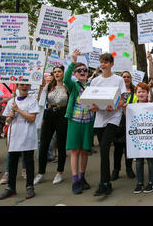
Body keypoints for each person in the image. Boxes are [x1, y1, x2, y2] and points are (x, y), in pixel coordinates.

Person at [90, 53, 127, 196]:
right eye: (101, 62)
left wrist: (116, 107)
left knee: (105, 146)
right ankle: (107, 183)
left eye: (106, 62)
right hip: (100, 118)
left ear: (111, 64)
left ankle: (103, 183)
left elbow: (122, 99)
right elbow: (91, 100)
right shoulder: (95, 81)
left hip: (113, 117)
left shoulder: (118, 79)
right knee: (103, 152)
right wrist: (93, 107)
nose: (103, 64)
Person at [0, 84, 40, 200]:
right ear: (17, 86)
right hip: (14, 136)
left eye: (26, 85)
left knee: (28, 161)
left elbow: (31, 118)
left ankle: (30, 187)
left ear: (30, 86)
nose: (24, 87)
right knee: (12, 162)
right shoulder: (12, 101)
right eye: (22, 85)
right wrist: (10, 116)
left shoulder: (32, 101)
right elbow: (7, 119)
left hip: (27, 135)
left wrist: (18, 110)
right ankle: (10, 188)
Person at [64, 50, 95, 195]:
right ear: (75, 74)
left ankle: (82, 177)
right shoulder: (74, 86)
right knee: (75, 150)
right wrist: (73, 61)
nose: (82, 72)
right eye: (79, 70)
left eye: (84, 70)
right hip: (75, 121)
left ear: (88, 73)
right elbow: (65, 80)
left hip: (88, 122)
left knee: (84, 150)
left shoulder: (92, 87)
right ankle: (75, 179)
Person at [34, 66, 69, 185]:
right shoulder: (49, 86)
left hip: (62, 115)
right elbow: (41, 102)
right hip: (49, 115)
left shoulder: (67, 87)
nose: (57, 73)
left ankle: (60, 172)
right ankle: (41, 173)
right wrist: (40, 88)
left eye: (59, 71)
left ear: (64, 73)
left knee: (61, 144)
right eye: (55, 72)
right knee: (43, 144)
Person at [130, 82, 153, 194]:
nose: (141, 93)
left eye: (143, 91)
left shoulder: (152, 105)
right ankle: (139, 183)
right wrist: (125, 109)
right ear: (136, 94)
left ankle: (151, 182)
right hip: (138, 137)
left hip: (149, 137)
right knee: (139, 161)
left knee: (150, 160)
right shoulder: (132, 106)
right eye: (139, 92)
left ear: (148, 93)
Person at [111, 71, 135, 181]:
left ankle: (129, 168)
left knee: (129, 148)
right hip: (118, 121)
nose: (126, 79)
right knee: (118, 148)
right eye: (124, 77)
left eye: (128, 77)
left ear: (131, 78)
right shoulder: (117, 91)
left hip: (131, 122)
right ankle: (116, 170)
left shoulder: (135, 91)